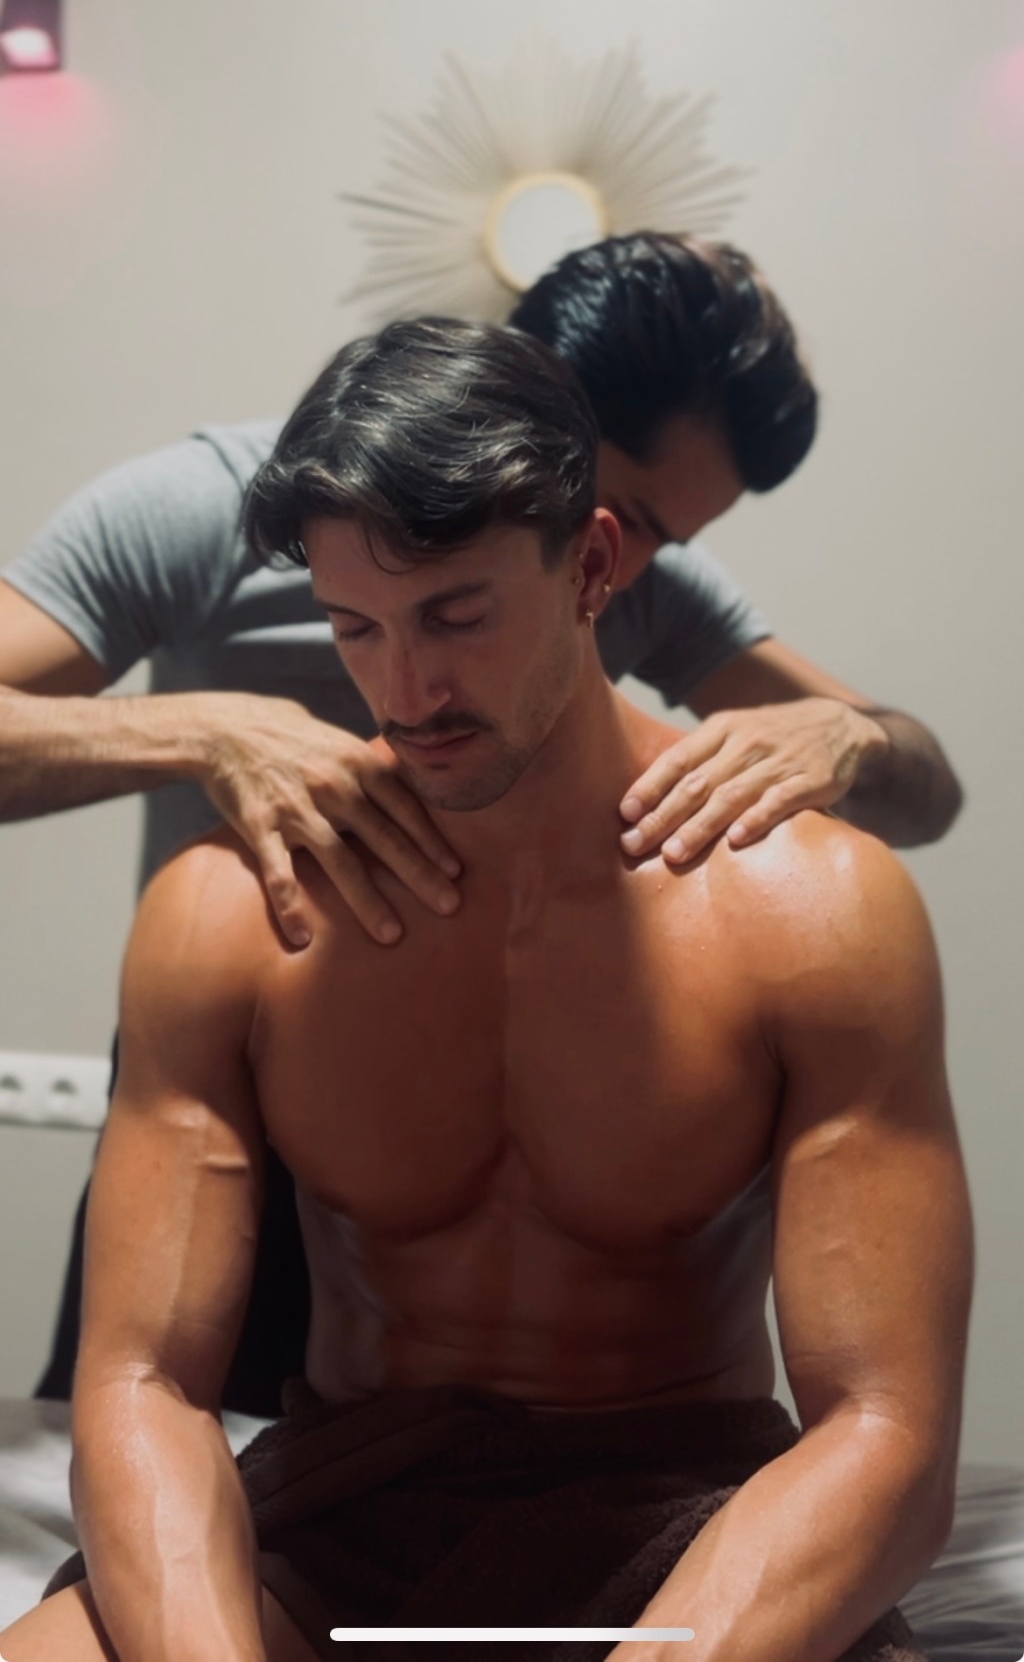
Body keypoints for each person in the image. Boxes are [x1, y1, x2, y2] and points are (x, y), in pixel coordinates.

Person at [0, 320, 973, 1662]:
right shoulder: (228, 915)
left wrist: (856, 730)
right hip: (348, 1513)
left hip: (682, 1516)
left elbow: (887, 1426)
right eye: (354, 627)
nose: (407, 691)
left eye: (456, 616)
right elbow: (143, 1380)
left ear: (594, 566)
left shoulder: (817, 910)